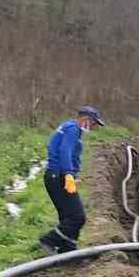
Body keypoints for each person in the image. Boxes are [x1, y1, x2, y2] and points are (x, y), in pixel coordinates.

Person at [40, 106, 104, 254]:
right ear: (86, 119)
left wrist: (71, 176)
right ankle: (49, 240)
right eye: (94, 124)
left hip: (56, 176)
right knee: (78, 216)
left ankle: (68, 250)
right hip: (58, 176)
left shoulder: (68, 127)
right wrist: (68, 174)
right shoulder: (73, 129)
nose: (94, 128)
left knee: (68, 216)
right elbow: (65, 151)